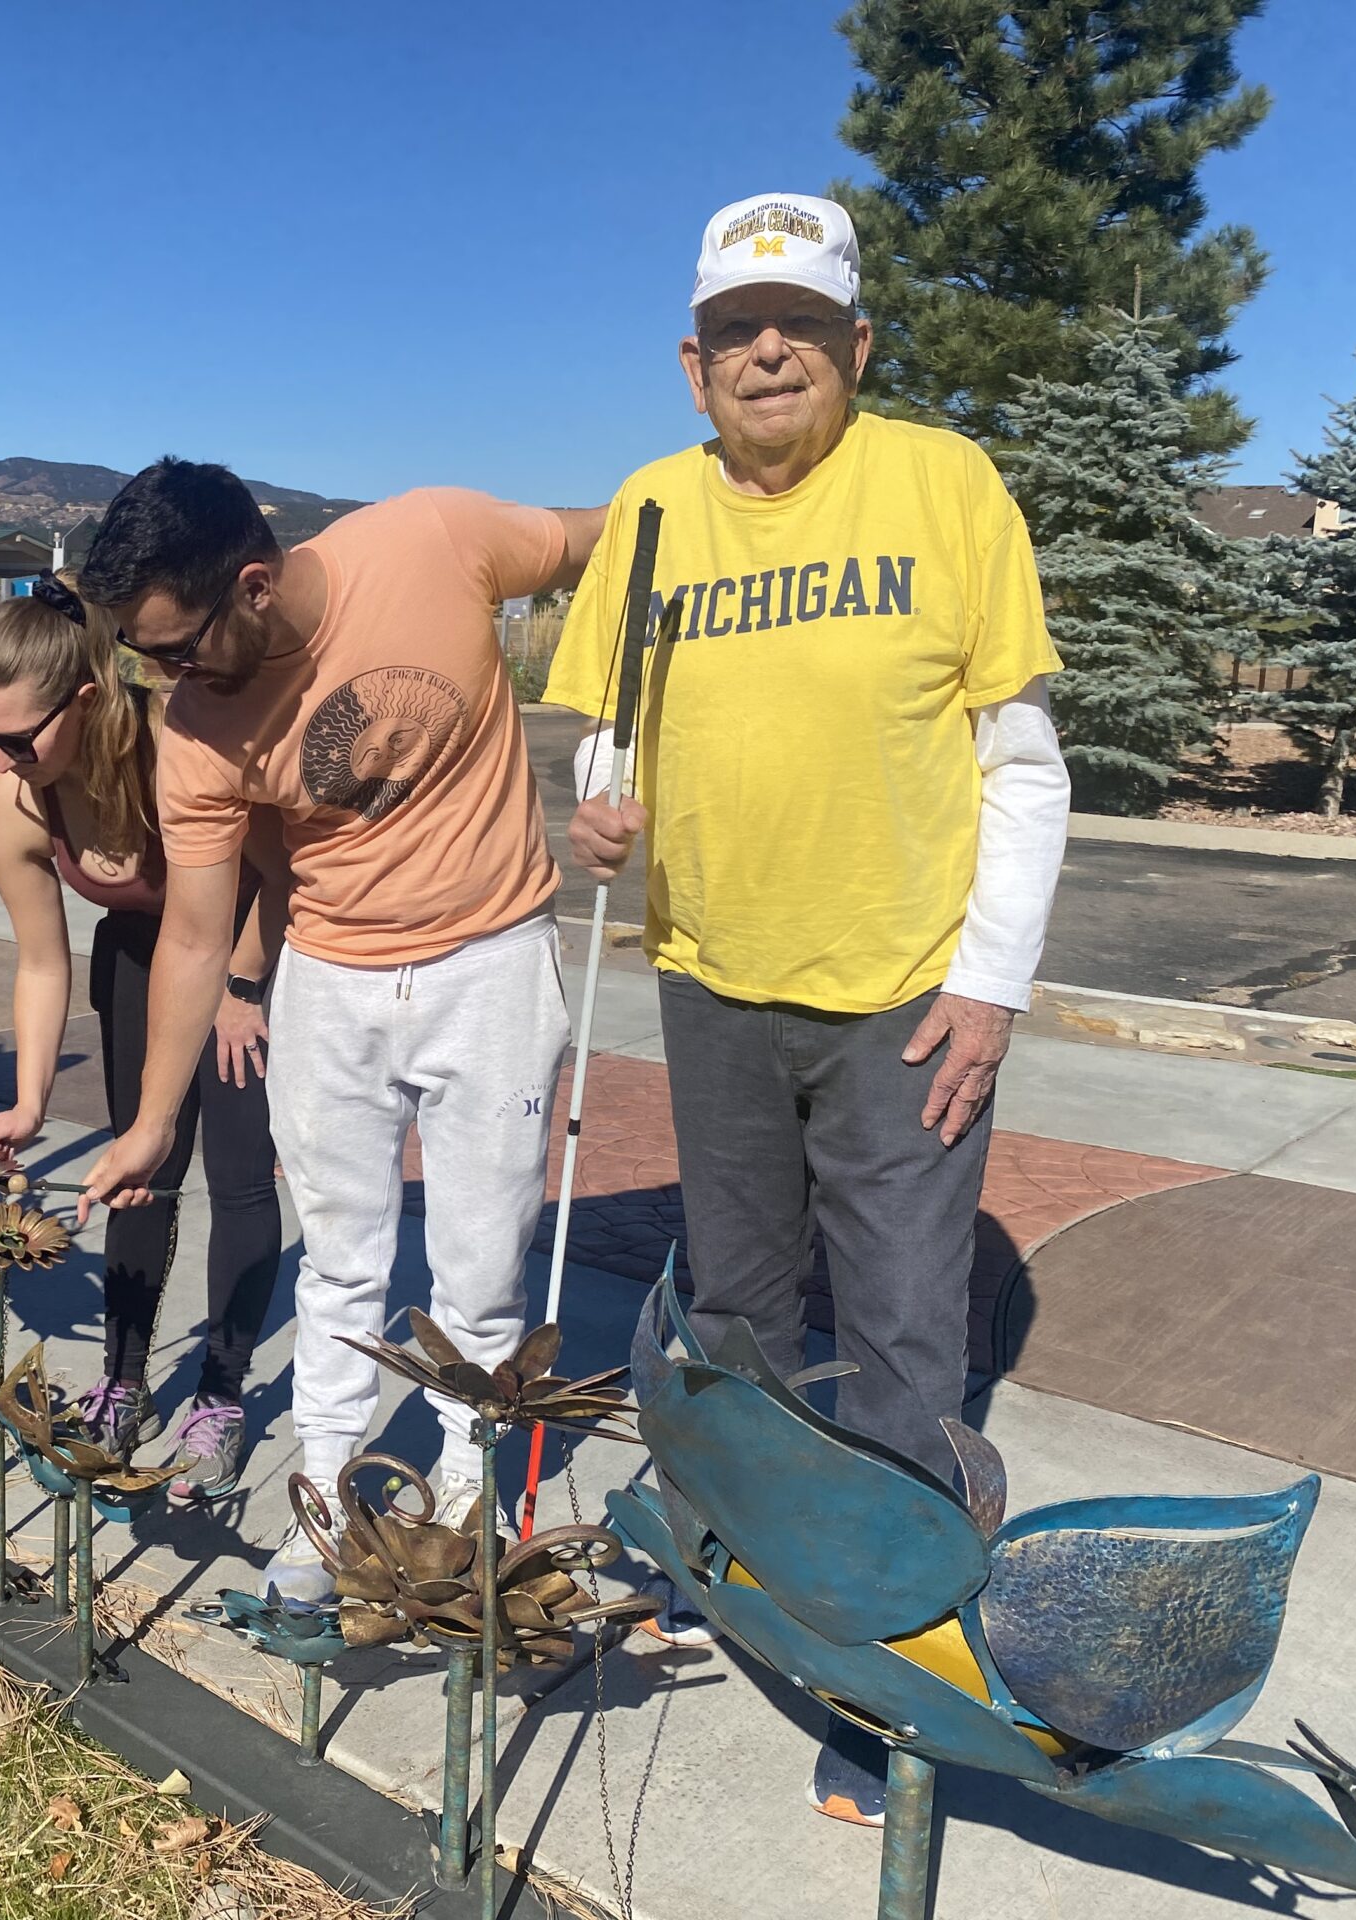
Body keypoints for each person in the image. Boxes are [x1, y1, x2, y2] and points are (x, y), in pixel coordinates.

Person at [548, 191, 1070, 1828]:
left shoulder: (941, 483)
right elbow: (607, 739)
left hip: (904, 999)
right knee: (743, 1329)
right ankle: (751, 1585)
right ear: (689, 364)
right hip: (712, 983)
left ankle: (894, 1670)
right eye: (731, 328)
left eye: (798, 320)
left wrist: (990, 987)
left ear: (859, 344)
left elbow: (1027, 765)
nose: (764, 348)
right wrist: (601, 805)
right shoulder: (648, 514)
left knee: (911, 1349)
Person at [72, 459, 603, 1600]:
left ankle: (461, 1520)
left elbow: (604, 538)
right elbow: (195, 938)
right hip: (332, 982)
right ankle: (324, 1518)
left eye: (173, 648)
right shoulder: (196, 732)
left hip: (493, 964)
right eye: (139, 654)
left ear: (253, 586)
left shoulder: (432, 538)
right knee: (343, 1267)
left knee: (479, 1266)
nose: (161, 677)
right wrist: (152, 1124)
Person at [0, 576, 287, 1502]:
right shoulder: (13, 801)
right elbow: (39, 963)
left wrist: (242, 984)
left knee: (238, 1173)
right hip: (142, 957)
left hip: (250, 949)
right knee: (140, 1172)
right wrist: (26, 1102)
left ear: (88, 701)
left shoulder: (179, 747)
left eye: (17, 738)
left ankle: (220, 1395)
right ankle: (124, 1379)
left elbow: (279, 867)